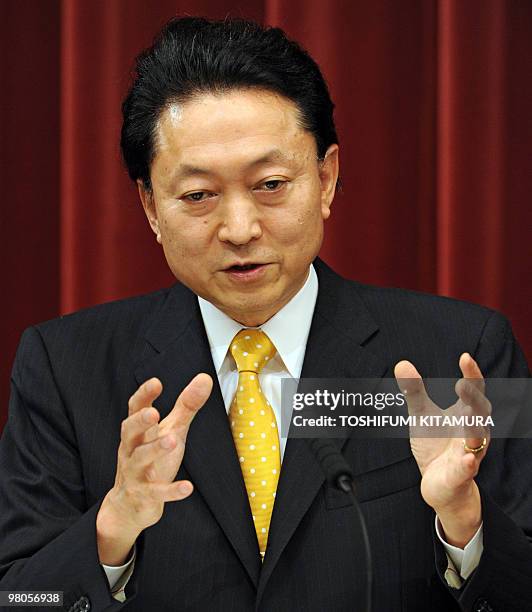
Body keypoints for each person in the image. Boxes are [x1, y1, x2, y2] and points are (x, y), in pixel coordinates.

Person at [0, 16, 531, 612]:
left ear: (326, 179)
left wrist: (464, 522)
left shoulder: (463, 351)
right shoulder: (63, 365)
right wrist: (112, 529)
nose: (240, 229)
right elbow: (21, 597)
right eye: (198, 196)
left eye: (271, 184)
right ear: (150, 206)